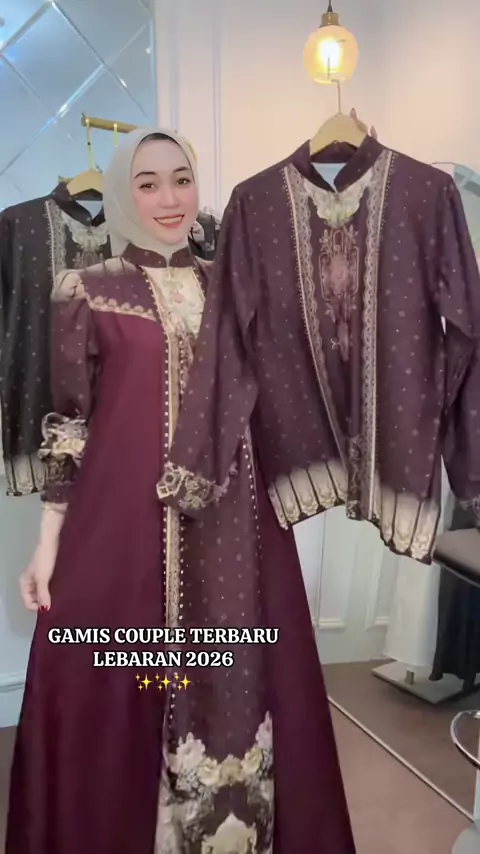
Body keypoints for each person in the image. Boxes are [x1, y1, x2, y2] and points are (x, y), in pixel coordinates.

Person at [6, 128, 355, 854]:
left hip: (239, 523)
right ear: (122, 195)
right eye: (147, 183)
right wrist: (48, 544)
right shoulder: (88, 289)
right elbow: (68, 427)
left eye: (182, 179)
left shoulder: (233, 284)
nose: (169, 198)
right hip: (125, 527)